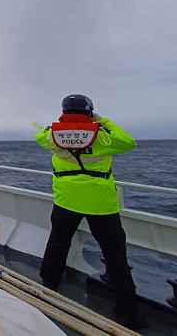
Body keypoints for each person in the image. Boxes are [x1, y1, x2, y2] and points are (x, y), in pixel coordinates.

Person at [35, 94, 147, 330]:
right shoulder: (102, 136)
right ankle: (127, 313)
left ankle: (49, 284)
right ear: (89, 112)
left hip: (66, 201)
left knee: (58, 242)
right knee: (116, 257)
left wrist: (61, 124)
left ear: (63, 112)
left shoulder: (51, 135)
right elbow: (128, 142)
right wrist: (103, 121)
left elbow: (39, 136)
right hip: (101, 204)